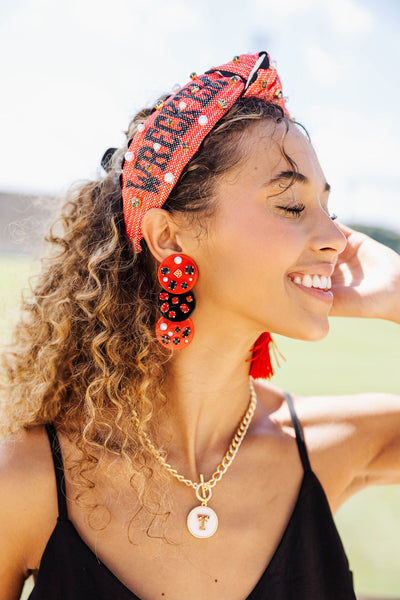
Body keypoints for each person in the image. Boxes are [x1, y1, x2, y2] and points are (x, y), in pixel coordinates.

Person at [0, 51, 399, 600]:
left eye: (328, 207)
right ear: (170, 238)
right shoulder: (27, 479)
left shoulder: (333, 445)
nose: (337, 236)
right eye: (291, 204)